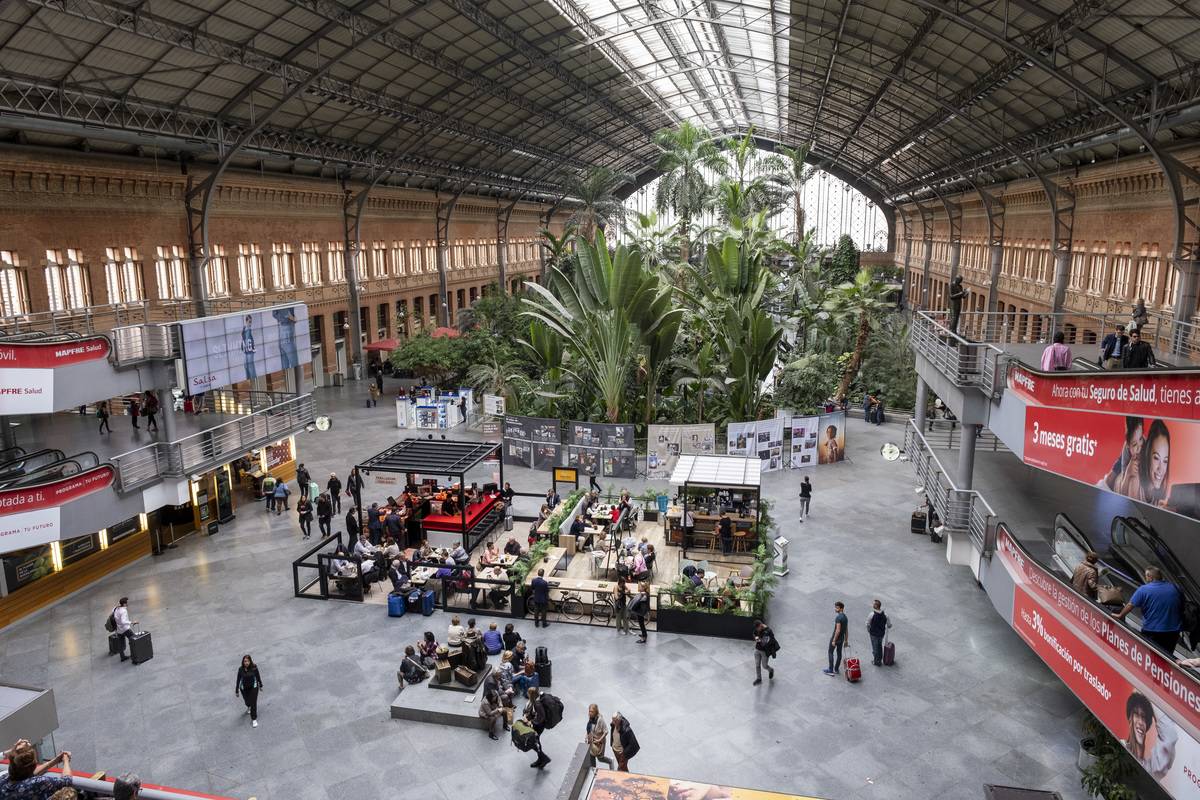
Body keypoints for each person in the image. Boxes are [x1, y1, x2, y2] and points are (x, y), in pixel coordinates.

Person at [1115, 567, 1183, 654]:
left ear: (1149, 576)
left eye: (1146, 576)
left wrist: (1121, 615)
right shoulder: (1175, 588)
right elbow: (1182, 604)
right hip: (1173, 630)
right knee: (1168, 656)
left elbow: (1130, 605)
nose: (1146, 578)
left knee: (1150, 656)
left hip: (1152, 630)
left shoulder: (1144, 589)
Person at [1123, 691, 1178, 778]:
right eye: (1136, 714)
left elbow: (1170, 736)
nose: (1140, 722)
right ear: (1130, 718)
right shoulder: (1121, 745)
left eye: (1144, 717)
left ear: (1147, 726)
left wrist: (1151, 695)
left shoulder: (1151, 769)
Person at [0, 738, 73, 797]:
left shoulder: (3, 780)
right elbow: (66, 781)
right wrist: (65, 760)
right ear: (33, 765)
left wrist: (55, 761)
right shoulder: (37, 783)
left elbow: (27, 775)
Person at [1130, 419, 1171, 507]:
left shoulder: (1160, 493)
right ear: (1147, 455)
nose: (1161, 469)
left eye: (1165, 461)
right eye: (1156, 458)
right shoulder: (1135, 481)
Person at [1105, 417, 1145, 493]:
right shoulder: (1126, 450)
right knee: (1108, 481)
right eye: (1134, 444)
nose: (1139, 447)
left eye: (1140, 439)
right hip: (1127, 458)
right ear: (1128, 445)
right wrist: (1128, 473)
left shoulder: (1146, 446)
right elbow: (1123, 490)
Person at [235, 654, 263, 727]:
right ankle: (248, 706)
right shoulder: (240, 669)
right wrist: (237, 690)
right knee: (247, 702)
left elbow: (258, 676)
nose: (246, 663)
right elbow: (238, 679)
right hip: (244, 688)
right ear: (243, 662)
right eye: (245, 661)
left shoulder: (254, 668)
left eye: (248, 661)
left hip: (254, 687)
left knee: (253, 702)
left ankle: (254, 719)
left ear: (250, 661)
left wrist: (260, 685)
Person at [823, 601, 849, 676]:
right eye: (835, 607)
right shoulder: (845, 617)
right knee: (839, 653)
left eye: (837, 608)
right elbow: (846, 630)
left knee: (830, 652)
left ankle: (830, 669)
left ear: (841, 608)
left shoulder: (838, 618)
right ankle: (836, 669)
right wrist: (846, 640)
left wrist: (834, 640)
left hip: (836, 638)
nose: (835, 609)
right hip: (841, 639)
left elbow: (838, 630)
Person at [110, 596, 137, 663]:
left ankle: (122, 657)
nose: (127, 604)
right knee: (134, 640)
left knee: (121, 644)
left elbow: (112, 611)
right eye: (126, 603)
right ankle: (135, 655)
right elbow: (123, 621)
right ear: (124, 604)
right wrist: (132, 622)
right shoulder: (123, 611)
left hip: (118, 630)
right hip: (126, 629)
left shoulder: (115, 608)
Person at [867, 600, 891, 667]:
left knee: (875, 647)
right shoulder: (885, 615)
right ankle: (880, 659)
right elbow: (889, 625)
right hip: (881, 634)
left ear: (875, 606)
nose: (872, 605)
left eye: (873, 604)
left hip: (873, 634)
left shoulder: (871, 614)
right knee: (879, 646)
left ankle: (876, 661)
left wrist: (869, 630)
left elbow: (867, 624)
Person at [752, 620, 777, 685]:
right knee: (757, 665)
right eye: (756, 629)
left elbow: (766, 642)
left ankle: (771, 670)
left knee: (764, 666)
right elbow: (754, 633)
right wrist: (756, 638)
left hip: (764, 652)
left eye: (758, 628)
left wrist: (761, 640)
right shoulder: (757, 629)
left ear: (761, 625)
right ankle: (759, 678)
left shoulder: (768, 631)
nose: (757, 630)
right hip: (757, 650)